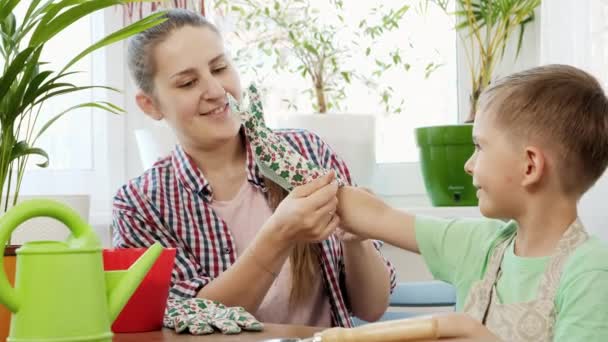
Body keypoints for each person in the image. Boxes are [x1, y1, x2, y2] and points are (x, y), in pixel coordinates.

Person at [112, 8, 395, 328]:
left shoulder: (307, 152)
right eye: (188, 82)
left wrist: (356, 241)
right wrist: (279, 235)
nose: (216, 91)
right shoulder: (141, 205)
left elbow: (372, 309)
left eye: (219, 68)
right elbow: (192, 326)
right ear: (150, 105)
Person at [335, 65, 608, 340]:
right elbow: (376, 216)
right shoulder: (479, 243)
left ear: (529, 166)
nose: (468, 165)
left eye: (479, 146)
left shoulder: (591, 271)